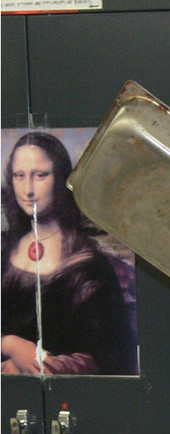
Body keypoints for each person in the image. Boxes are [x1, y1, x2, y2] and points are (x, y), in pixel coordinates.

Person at [2, 130, 134, 376]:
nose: (28, 189)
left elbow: (105, 357)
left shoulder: (88, 268)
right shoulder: (4, 252)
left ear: (61, 177)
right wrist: (9, 344)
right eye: (19, 176)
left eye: (40, 175)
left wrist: (32, 368)